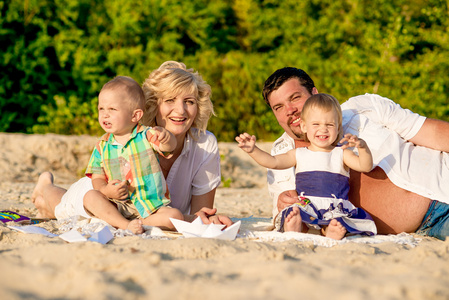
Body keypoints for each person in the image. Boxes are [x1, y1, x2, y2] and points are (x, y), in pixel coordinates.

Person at [32, 61, 232, 232]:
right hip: (106, 198)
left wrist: (208, 219)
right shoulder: (132, 137)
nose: (180, 110)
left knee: (54, 211)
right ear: (154, 105)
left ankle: (45, 203)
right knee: (60, 207)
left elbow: (199, 214)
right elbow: (98, 181)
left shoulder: (205, 144)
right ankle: (45, 186)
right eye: (169, 100)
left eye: (189, 101)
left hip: (150, 212)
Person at [263, 67, 449, 240]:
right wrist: (283, 204)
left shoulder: (362, 109)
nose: (290, 110)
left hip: (442, 193)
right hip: (424, 231)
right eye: (278, 107)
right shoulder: (281, 156)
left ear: (314, 94)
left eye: (295, 97)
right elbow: (289, 221)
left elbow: (432, 133)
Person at [237, 94, 376, 240]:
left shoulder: (341, 154)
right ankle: (296, 227)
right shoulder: (298, 154)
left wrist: (363, 148)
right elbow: (273, 162)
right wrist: (253, 150)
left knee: (337, 220)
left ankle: (329, 231)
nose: (323, 129)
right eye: (316, 124)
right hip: (307, 204)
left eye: (329, 125)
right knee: (295, 212)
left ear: (337, 127)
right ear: (304, 126)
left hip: (334, 207)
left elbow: (365, 166)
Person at [84, 75, 183, 234]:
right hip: (118, 205)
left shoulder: (146, 135)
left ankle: (137, 223)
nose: (105, 114)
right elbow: (97, 177)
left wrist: (166, 136)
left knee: (175, 216)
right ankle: (124, 224)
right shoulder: (102, 146)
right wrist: (106, 191)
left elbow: (168, 147)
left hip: (151, 206)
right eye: (101, 109)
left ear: (135, 116)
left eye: (112, 109)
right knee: (90, 196)